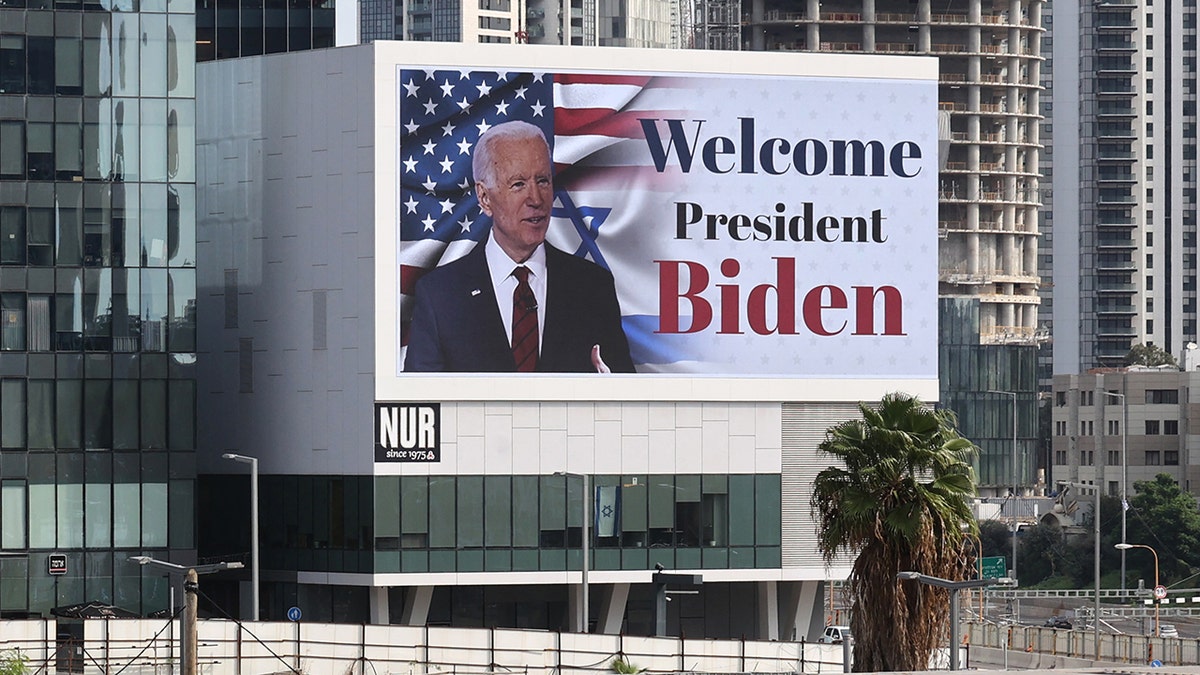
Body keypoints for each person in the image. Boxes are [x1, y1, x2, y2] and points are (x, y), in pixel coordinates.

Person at [404, 121, 635, 373]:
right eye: (518, 184)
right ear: (484, 198)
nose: (536, 199)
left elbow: (621, 394)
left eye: (543, 181)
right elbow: (423, 402)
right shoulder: (440, 296)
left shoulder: (593, 288)